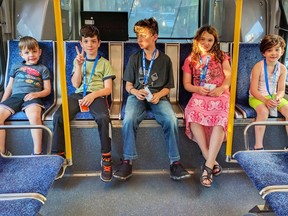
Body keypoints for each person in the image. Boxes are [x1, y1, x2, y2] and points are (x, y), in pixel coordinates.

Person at [113, 17, 190, 181]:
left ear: (155, 36)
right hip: (137, 96)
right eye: (138, 36)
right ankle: (127, 161)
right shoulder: (134, 58)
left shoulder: (165, 60)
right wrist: (135, 91)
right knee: (129, 119)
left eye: (143, 36)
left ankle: (175, 163)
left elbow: (168, 87)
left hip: (158, 97)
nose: (139, 40)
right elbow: (127, 86)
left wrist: (159, 95)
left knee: (171, 119)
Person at [52, 25, 115, 182]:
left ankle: (106, 158)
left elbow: (107, 89)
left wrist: (93, 95)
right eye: (86, 41)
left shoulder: (105, 63)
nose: (90, 45)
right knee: (59, 116)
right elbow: (75, 84)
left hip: (97, 95)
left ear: (99, 43)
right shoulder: (78, 61)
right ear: (81, 43)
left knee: (102, 118)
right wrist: (79, 66)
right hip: (79, 94)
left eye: (93, 41)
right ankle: (58, 156)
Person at [182, 26, 231, 188]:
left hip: (219, 94)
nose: (206, 43)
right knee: (192, 112)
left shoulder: (222, 56)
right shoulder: (191, 59)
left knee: (220, 118)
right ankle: (208, 155)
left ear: (215, 42)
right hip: (200, 93)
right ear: (197, 40)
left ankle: (208, 167)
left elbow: (228, 78)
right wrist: (198, 89)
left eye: (210, 40)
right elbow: (187, 85)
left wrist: (221, 89)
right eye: (203, 39)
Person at [0, 36, 51, 156]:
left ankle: (37, 153)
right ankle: (2, 153)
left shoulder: (43, 69)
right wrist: (2, 103)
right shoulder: (16, 67)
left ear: (40, 52)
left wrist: (36, 94)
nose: (31, 55)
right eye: (27, 52)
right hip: (15, 97)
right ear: (21, 54)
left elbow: (47, 90)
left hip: (33, 96)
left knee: (34, 116)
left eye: (34, 51)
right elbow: (9, 87)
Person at [249, 34, 288, 150]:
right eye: (269, 50)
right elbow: (253, 90)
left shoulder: (282, 68)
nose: (273, 53)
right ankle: (258, 146)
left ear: (282, 51)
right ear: (263, 53)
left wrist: (279, 98)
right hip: (257, 97)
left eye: (277, 50)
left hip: (274, 97)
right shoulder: (258, 67)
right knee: (263, 112)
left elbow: (281, 89)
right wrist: (265, 100)